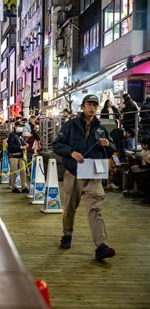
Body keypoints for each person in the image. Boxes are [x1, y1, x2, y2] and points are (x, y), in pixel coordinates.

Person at [52, 94, 116, 261]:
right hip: (74, 172)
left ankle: (101, 246)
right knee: (69, 207)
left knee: (95, 208)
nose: (92, 107)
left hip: (93, 173)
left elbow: (112, 149)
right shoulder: (70, 126)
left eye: (95, 105)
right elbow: (57, 145)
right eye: (89, 104)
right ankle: (67, 235)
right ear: (83, 106)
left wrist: (108, 145)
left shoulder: (101, 128)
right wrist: (71, 152)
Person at [7, 123, 29, 194]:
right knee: (14, 171)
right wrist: (20, 147)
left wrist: (25, 144)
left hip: (21, 156)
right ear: (15, 127)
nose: (20, 128)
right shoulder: (12, 135)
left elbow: (22, 143)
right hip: (13, 156)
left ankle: (24, 186)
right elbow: (11, 145)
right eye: (19, 126)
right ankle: (13, 187)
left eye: (21, 127)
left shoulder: (19, 136)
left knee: (23, 171)